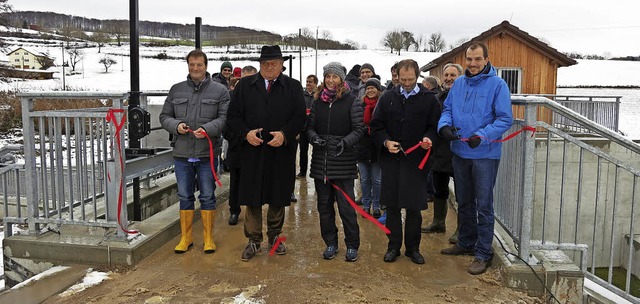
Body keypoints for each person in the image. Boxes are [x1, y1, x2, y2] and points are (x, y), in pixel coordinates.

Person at [439, 41, 513, 275]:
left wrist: (482, 136)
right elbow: (447, 109)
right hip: (459, 151)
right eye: (469, 59)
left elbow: (504, 119)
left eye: (477, 59)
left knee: (484, 205)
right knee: (465, 201)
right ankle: (465, 242)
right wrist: (444, 127)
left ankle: (483, 253)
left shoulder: (498, 85)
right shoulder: (459, 83)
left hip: (484, 154)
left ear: (486, 60)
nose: (472, 64)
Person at [227, 45, 306, 261]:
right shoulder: (244, 86)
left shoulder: (292, 86)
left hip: (280, 151)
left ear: (282, 65)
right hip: (252, 152)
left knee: (277, 196)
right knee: (252, 197)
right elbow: (232, 117)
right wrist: (245, 134)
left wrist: (285, 134)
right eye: (265, 63)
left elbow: (300, 117)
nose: (269, 67)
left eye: (274, 63)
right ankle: (253, 240)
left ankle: (274, 237)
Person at [371, 59, 441, 265]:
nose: (407, 83)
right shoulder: (387, 98)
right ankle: (393, 247)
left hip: (416, 161)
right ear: (397, 76)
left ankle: (413, 248)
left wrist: (429, 139)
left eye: (410, 79)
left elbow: (434, 126)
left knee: (413, 207)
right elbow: (376, 126)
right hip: (392, 160)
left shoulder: (429, 99)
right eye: (403, 79)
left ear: (417, 76)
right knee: (391, 206)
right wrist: (385, 141)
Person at [159, 49, 230, 254]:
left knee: (208, 195)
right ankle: (186, 238)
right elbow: (164, 116)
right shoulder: (176, 90)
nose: (195, 68)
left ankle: (208, 238)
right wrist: (177, 125)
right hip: (182, 153)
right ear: (188, 66)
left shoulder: (220, 91)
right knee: (184, 195)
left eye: (199, 64)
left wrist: (207, 129)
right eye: (192, 64)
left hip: (207, 153)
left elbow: (224, 119)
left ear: (206, 66)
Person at [307, 62, 364, 262]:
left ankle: (352, 244)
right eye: (328, 76)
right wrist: (314, 137)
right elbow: (310, 127)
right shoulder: (317, 101)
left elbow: (359, 129)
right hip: (321, 162)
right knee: (324, 207)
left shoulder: (351, 101)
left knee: (346, 207)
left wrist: (345, 142)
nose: (331, 80)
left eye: (335, 77)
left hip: (343, 161)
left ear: (341, 79)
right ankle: (330, 242)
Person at [422, 63, 462, 237]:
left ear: (460, 77)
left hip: (458, 150)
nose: (448, 78)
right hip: (439, 151)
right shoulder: (438, 97)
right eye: (446, 75)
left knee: (462, 193)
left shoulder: (463, 96)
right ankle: (438, 223)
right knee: (439, 189)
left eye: (453, 75)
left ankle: (462, 230)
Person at [224, 65, 259, 226]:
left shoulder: (260, 97)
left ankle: (252, 214)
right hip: (237, 146)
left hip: (255, 148)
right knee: (236, 181)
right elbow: (226, 125)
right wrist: (241, 136)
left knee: (253, 181)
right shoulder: (231, 96)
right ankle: (234, 210)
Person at [354, 77, 382, 218]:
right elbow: (356, 123)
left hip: (377, 148)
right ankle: (366, 205)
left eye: (373, 88)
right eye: (368, 88)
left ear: (378, 89)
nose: (370, 90)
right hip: (362, 147)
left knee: (377, 180)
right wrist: (364, 129)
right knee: (364, 179)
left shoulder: (382, 105)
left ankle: (376, 206)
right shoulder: (360, 105)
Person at [298, 74, 318, 177]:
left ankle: (316, 172)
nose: (308, 83)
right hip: (303, 128)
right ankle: (302, 171)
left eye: (310, 82)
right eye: (307, 81)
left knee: (317, 152)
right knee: (303, 151)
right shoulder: (301, 94)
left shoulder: (318, 95)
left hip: (315, 128)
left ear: (315, 83)